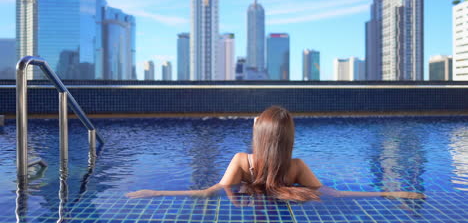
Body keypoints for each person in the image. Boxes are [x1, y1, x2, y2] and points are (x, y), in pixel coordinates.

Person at [126, 106, 425, 201]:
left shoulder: (242, 160)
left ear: (258, 133)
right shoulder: (296, 166)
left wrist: (154, 192)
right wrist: (390, 194)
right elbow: (333, 193)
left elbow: (208, 192)